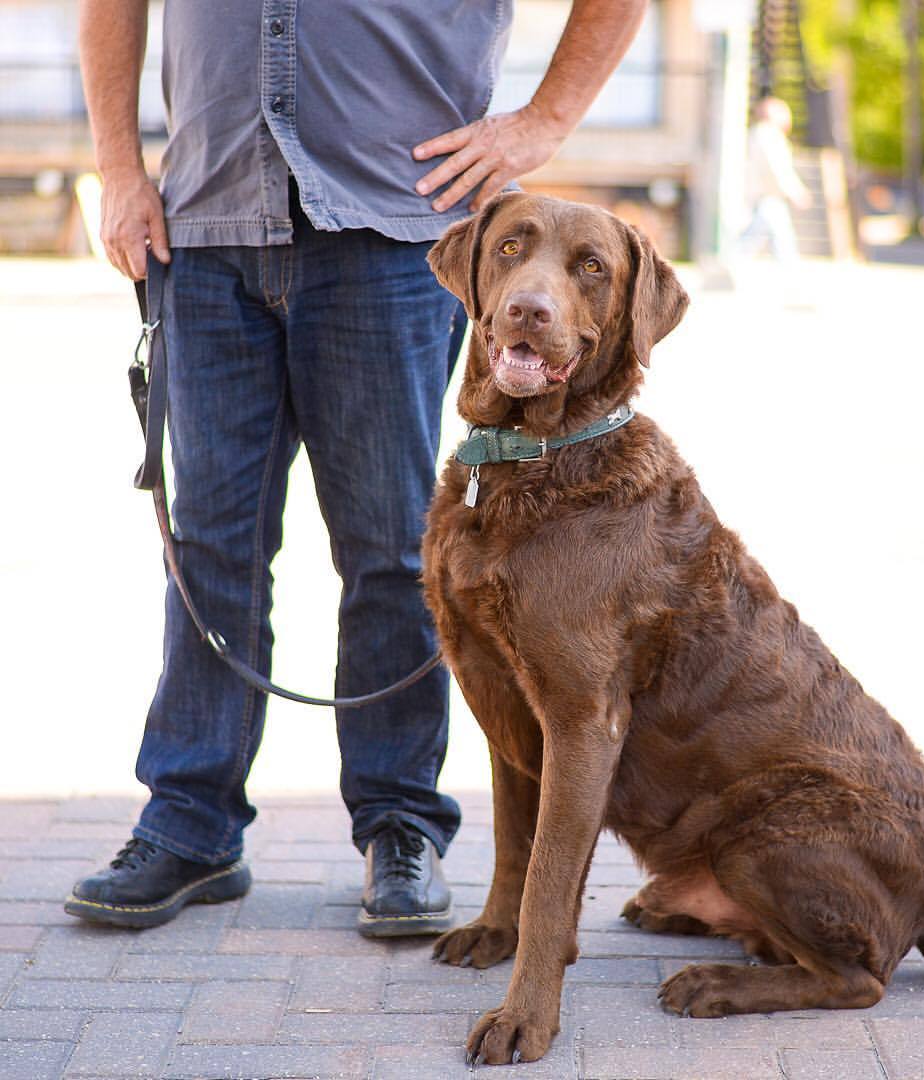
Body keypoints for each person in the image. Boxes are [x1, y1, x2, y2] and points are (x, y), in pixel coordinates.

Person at [68, 0, 647, 935]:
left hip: (391, 236)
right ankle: (190, 826)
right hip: (207, 225)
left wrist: (542, 122)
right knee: (207, 549)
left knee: (392, 554)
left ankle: (400, 825)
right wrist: (118, 168)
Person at [740, 96, 812, 266]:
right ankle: (728, 265)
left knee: (776, 237)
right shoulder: (768, 134)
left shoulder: (759, 133)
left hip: (766, 195)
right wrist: (795, 191)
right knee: (761, 238)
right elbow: (777, 169)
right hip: (768, 194)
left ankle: (790, 270)